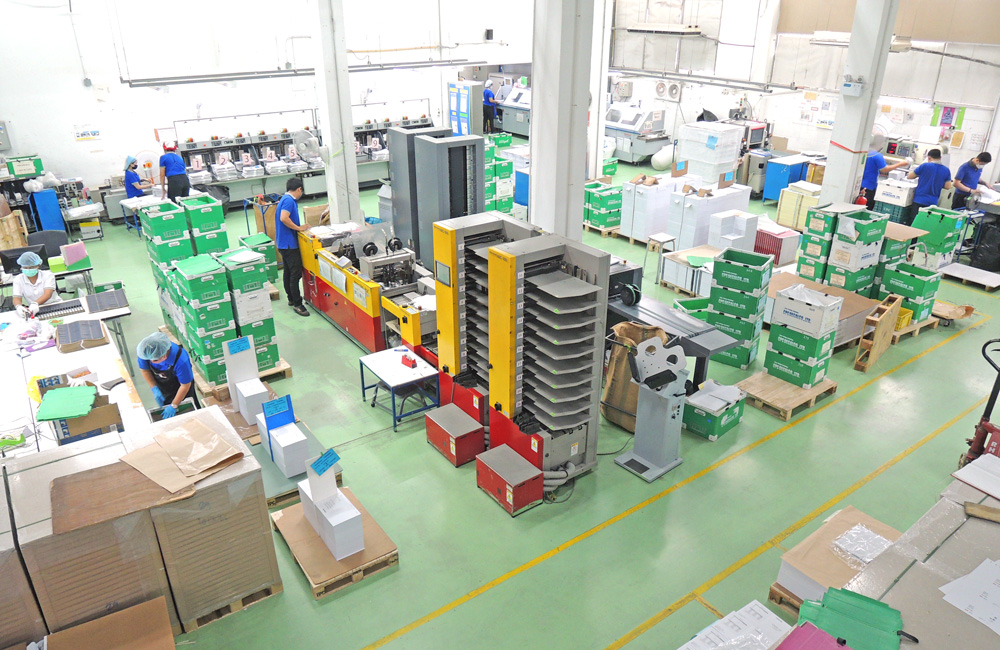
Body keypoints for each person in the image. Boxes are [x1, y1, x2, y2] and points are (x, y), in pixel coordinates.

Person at [136, 332, 195, 419]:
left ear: (164, 357)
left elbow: (185, 386)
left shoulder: (181, 361)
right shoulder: (146, 351)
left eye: (154, 360)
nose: (151, 362)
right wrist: (154, 387)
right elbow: (145, 370)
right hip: (164, 386)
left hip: (181, 387)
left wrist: (174, 405)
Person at [275, 177, 310, 317]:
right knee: (295, 274)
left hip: (283, 243)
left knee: (288, 272)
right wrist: (299, 228)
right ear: (299, 189)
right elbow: (284, 218)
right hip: (289, 244)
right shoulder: (289, 201)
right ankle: (297, 304)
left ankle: (291, 298)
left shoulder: (284, 199)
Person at [906, 149, 953, 226]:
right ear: (940, 158)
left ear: (929, 158)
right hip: (933, 203)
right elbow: (948, 186)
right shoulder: (946, 170)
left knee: (914, 223)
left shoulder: (925, 166)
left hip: (919, 200)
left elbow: (909, 176)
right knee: (926, 224)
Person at [12, 251, 61, 318]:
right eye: (25, 267)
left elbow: (48, 294)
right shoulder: (18, 279)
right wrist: (18, 306)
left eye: (31, 267)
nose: (28, 270)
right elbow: (17, 297)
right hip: (34, 310)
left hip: (55, 305)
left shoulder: (48, 275)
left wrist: (35, 303)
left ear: (38, 266)